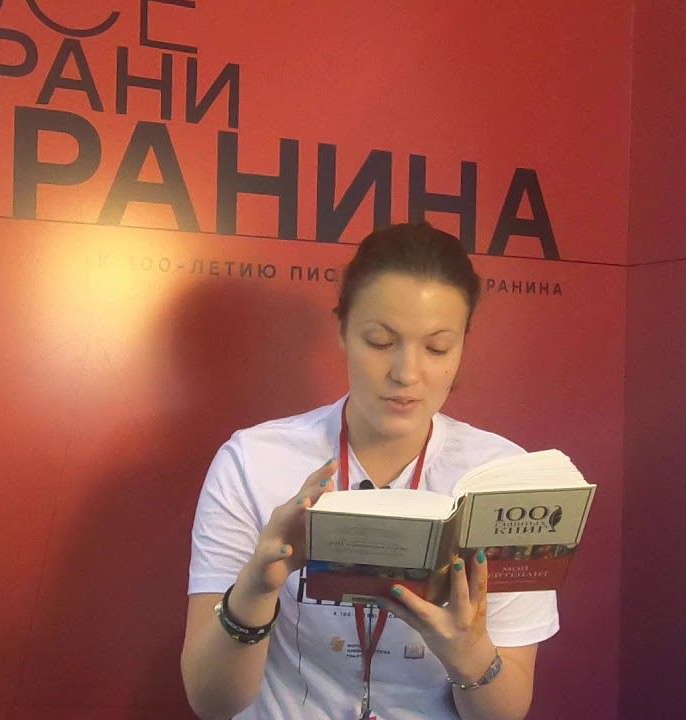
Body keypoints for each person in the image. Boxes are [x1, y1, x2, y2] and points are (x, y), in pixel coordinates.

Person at [180, 222, 559, 720]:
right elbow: (212, 703)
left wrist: (469, 654)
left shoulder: (504, 481)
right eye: (380, 341)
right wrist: (256, 590)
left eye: (437, 348)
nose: (406, 372)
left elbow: (504, 714)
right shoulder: (253, 462)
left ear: (463, 345)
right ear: (343, 331)